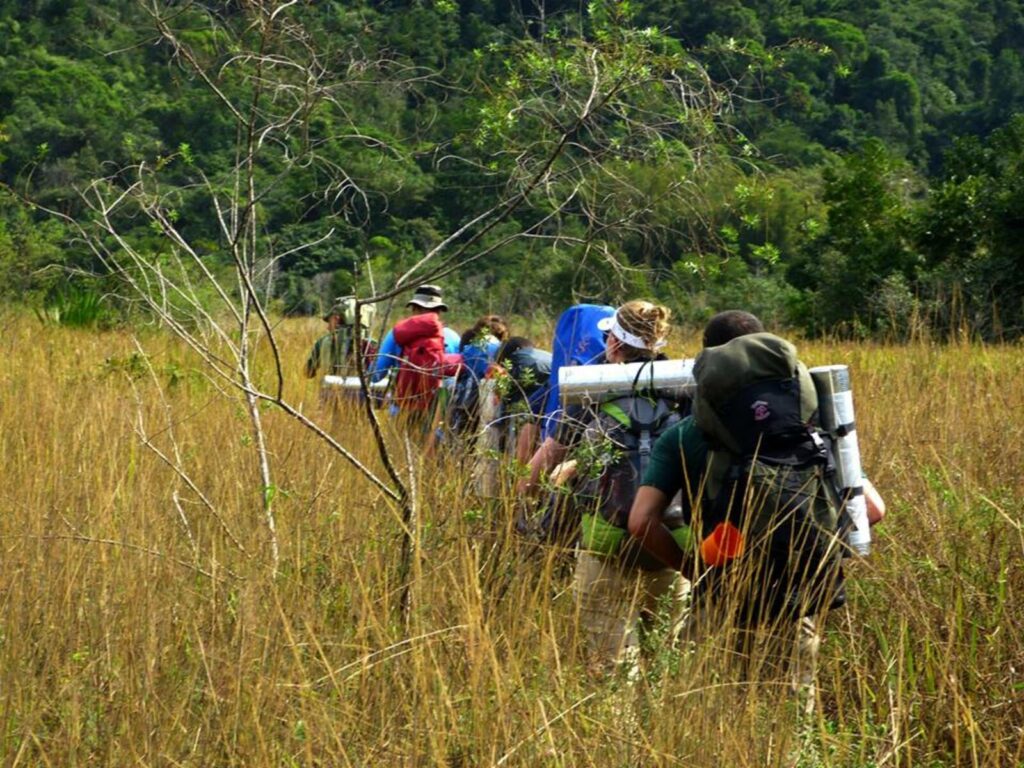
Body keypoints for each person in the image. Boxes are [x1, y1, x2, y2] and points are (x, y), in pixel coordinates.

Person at [627, 310, 885, 713]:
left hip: (722, 593)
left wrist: (693, 567)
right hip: (797, 594)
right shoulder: (811, 428)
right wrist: (812, 542)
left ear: (710, 363)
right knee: (793, 715)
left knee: (709, 711)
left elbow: (641, 521)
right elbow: (872, 510)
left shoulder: (687, 435)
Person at [528, 300, 692, 674]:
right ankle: (660, 730)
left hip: (605, 545)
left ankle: (621, 730)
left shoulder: (591, 388)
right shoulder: (683, 387)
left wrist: (525, 487)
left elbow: (552, 451)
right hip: (670, 542)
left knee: (613, 666)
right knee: (663, 665)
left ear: (615, 344)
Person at [370, 285, 461, 420]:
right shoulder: (453, 337)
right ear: (439, 311)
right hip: (437, 413)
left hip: (402, 408)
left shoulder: (396, 334)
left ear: (414, 308)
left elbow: (376, 375)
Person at [449, 315, 509, 439]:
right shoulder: (501, 348)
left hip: (464, 402)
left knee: (462, 442)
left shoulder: (470, 348)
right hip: (492, 409)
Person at [304, 296, 377, 380]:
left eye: (329, 321)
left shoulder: (323, 342)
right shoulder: (373, 344)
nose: (328, 327)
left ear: (336, 319)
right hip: (365, 391)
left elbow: (308, 373)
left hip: (331, 390)